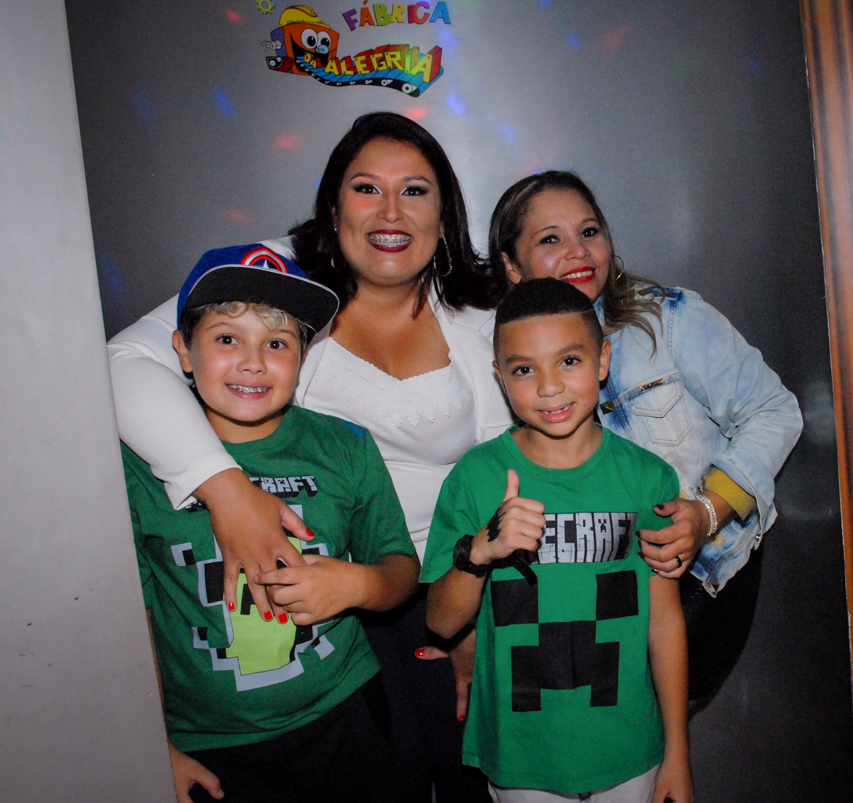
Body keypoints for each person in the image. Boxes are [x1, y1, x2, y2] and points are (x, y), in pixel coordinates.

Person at [108, 113, 511, 801]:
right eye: (365, 188)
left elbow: (506, 463)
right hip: (329, 603)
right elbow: (121, 362)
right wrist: (228, 493)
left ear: (445, 214)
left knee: (470, 769)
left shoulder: (473, 311)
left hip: (440, 578)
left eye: (415, 190)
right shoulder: (275, 281)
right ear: (332, 206)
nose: (390, 210)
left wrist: (472, 609)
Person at [488, 171, 804, 705]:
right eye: (550, 239)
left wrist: (707, 512)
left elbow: (774, 411)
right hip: (583, 599)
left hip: (701, 585)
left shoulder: (669, 319)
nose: (578, 251)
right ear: (512, 266)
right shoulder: (497, 357)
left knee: (666, 739)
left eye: (589, 231)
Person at [123, 243, 420, 803]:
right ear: (183, 351)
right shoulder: (135, 464)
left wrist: (357, 583)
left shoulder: (344, 446)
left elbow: (400, 567)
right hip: (211, 747)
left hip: (347, 716)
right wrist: (156, 745)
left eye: (278, 343)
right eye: (226, 338)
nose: (253, 361)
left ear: (302, 359)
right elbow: (130, 623)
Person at [423, 279, 692, 803]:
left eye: (568, 361)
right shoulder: (476, 477)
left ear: (602, 360)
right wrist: (480, 551)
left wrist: (678, 749)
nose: (548, 387)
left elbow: (663, 620)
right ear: (501, 378)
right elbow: (442, 621)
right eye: (524, 369)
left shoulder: (647, 478)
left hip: (628, 747)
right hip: (523, 755)